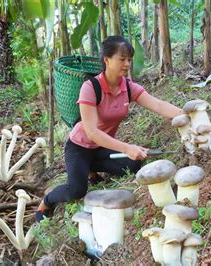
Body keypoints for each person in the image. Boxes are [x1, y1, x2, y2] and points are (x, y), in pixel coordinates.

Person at [35, 35, 182, 222]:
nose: (127, 64)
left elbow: (159, 105)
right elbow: (92, 132)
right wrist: (127, 148)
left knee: (134, 164)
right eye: (122, 59)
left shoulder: (128, 88)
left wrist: (186, 114)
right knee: (76, 191)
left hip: (102, 147)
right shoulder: (90, 88)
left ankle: (91, 169)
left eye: (129, 59)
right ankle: (47, 202)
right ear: (107, 60)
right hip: (80, 146)